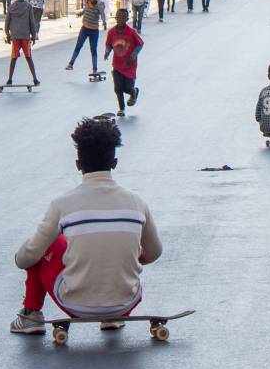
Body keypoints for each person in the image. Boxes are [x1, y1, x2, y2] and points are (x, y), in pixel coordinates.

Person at [9, 115, 162, 334]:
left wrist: (20, 257)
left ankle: (30, 315)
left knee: (45, 245)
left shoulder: (62, 204)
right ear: (114, 163)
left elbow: (28, 257)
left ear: (78, 165)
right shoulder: (137, 203)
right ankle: (113, 318)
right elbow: (154, 253)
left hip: (75, 304)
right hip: (126, 301)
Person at [105, 7, 143, 117]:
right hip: (117, 65)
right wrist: (107, 52)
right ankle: (121, 108)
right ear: (116, 17)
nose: (120, 19)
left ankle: (134, 92)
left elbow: (140, 44)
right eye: (119, 16)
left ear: (127, 19)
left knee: (127, 88)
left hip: (129, 66)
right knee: (118, 88)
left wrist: (133, 55)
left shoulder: (131, 32)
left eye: (123, 17)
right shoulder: (111, 32)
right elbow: (108, 44)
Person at [4, 0, 40, 86]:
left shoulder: (11, 7)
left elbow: (7, 22)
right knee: (29, 58)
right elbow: (32, 22)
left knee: (14, 58)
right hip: (25, 36)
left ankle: (10, 79)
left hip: (15, 36)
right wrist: (33, 35)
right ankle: (35, 79)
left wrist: (7, 34)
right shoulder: (28, 6)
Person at [66, 0, 106, 73]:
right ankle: (71, 64)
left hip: (94, 30)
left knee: (93, 50)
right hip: (84, 29)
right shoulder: (86, 1)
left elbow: (102, 14)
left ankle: (95, 69)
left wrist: (104, 22)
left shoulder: (100, 5)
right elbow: (86, 9)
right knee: (78, 46)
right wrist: (81, 13)